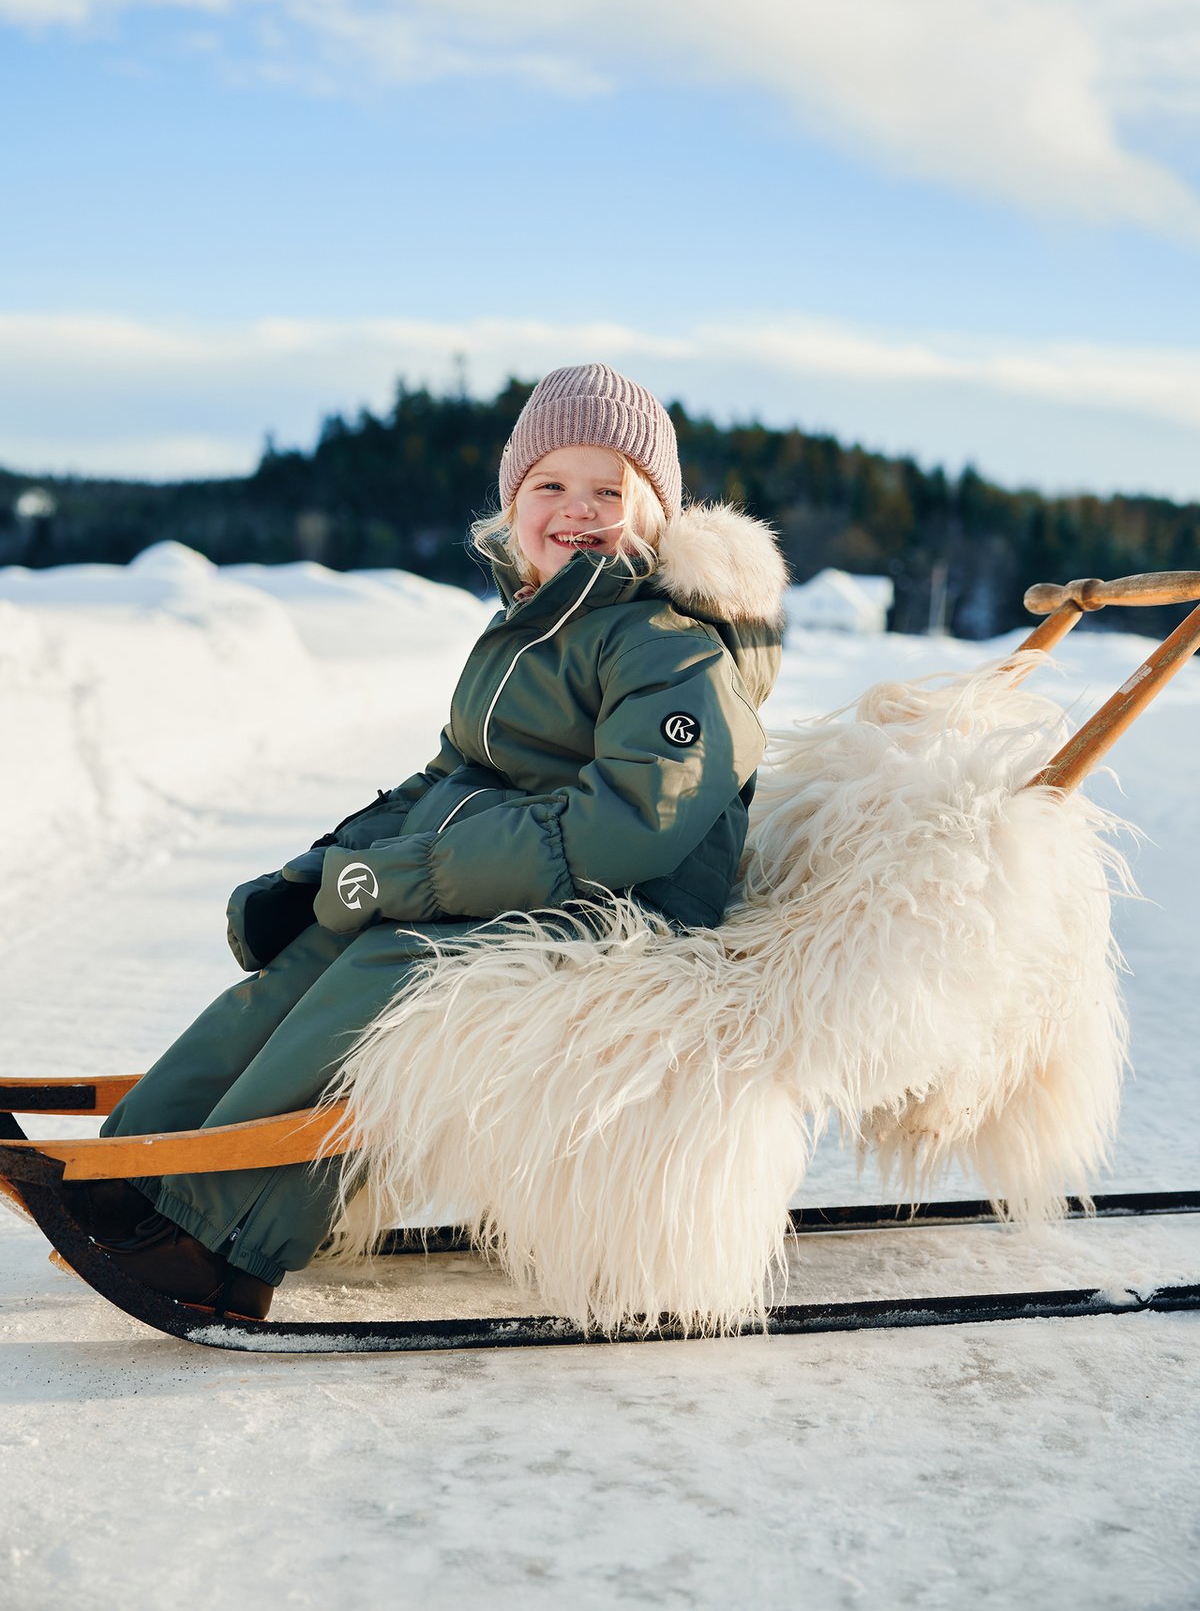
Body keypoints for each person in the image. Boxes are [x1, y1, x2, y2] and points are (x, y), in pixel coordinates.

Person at [66, 363, 788, 1320]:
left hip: (628, 919)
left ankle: (222, 1243)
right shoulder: (535, 627)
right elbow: (448, 781)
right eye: (550, 486)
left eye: (610, 489)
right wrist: (321, 875)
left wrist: (407, 880)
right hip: (533, 890)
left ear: (657, 512)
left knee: (394, 970)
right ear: (513, 502)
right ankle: (132, 1174)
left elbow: (631, 825)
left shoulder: (669, 642)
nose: (577, 510)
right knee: (313, 952)